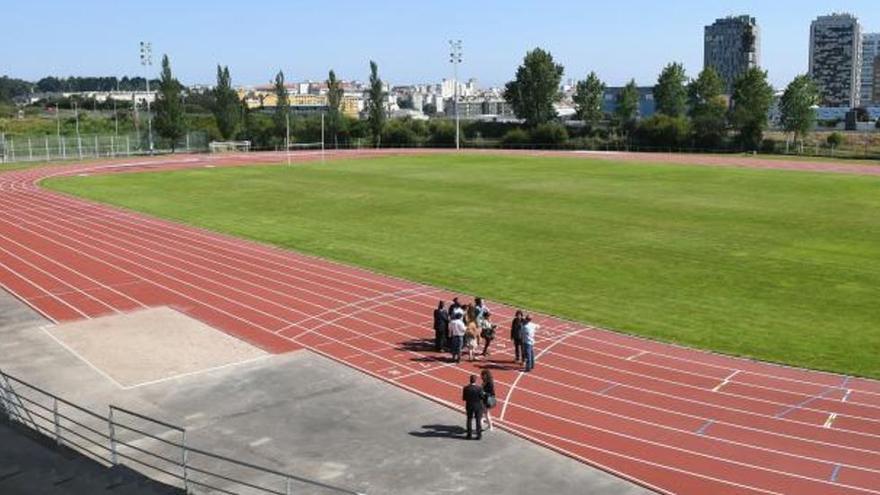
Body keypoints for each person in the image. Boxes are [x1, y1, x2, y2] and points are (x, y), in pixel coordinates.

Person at [462, 374, 484, 440]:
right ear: (475, 380)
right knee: (478, 420)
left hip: (469, 405)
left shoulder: (466, 388)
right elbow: (482, 397)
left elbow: (464, 398)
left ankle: (469, 435)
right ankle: (479, 435)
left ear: (470, 380)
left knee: (469, 419)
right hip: (478, 406)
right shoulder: (479, 388)